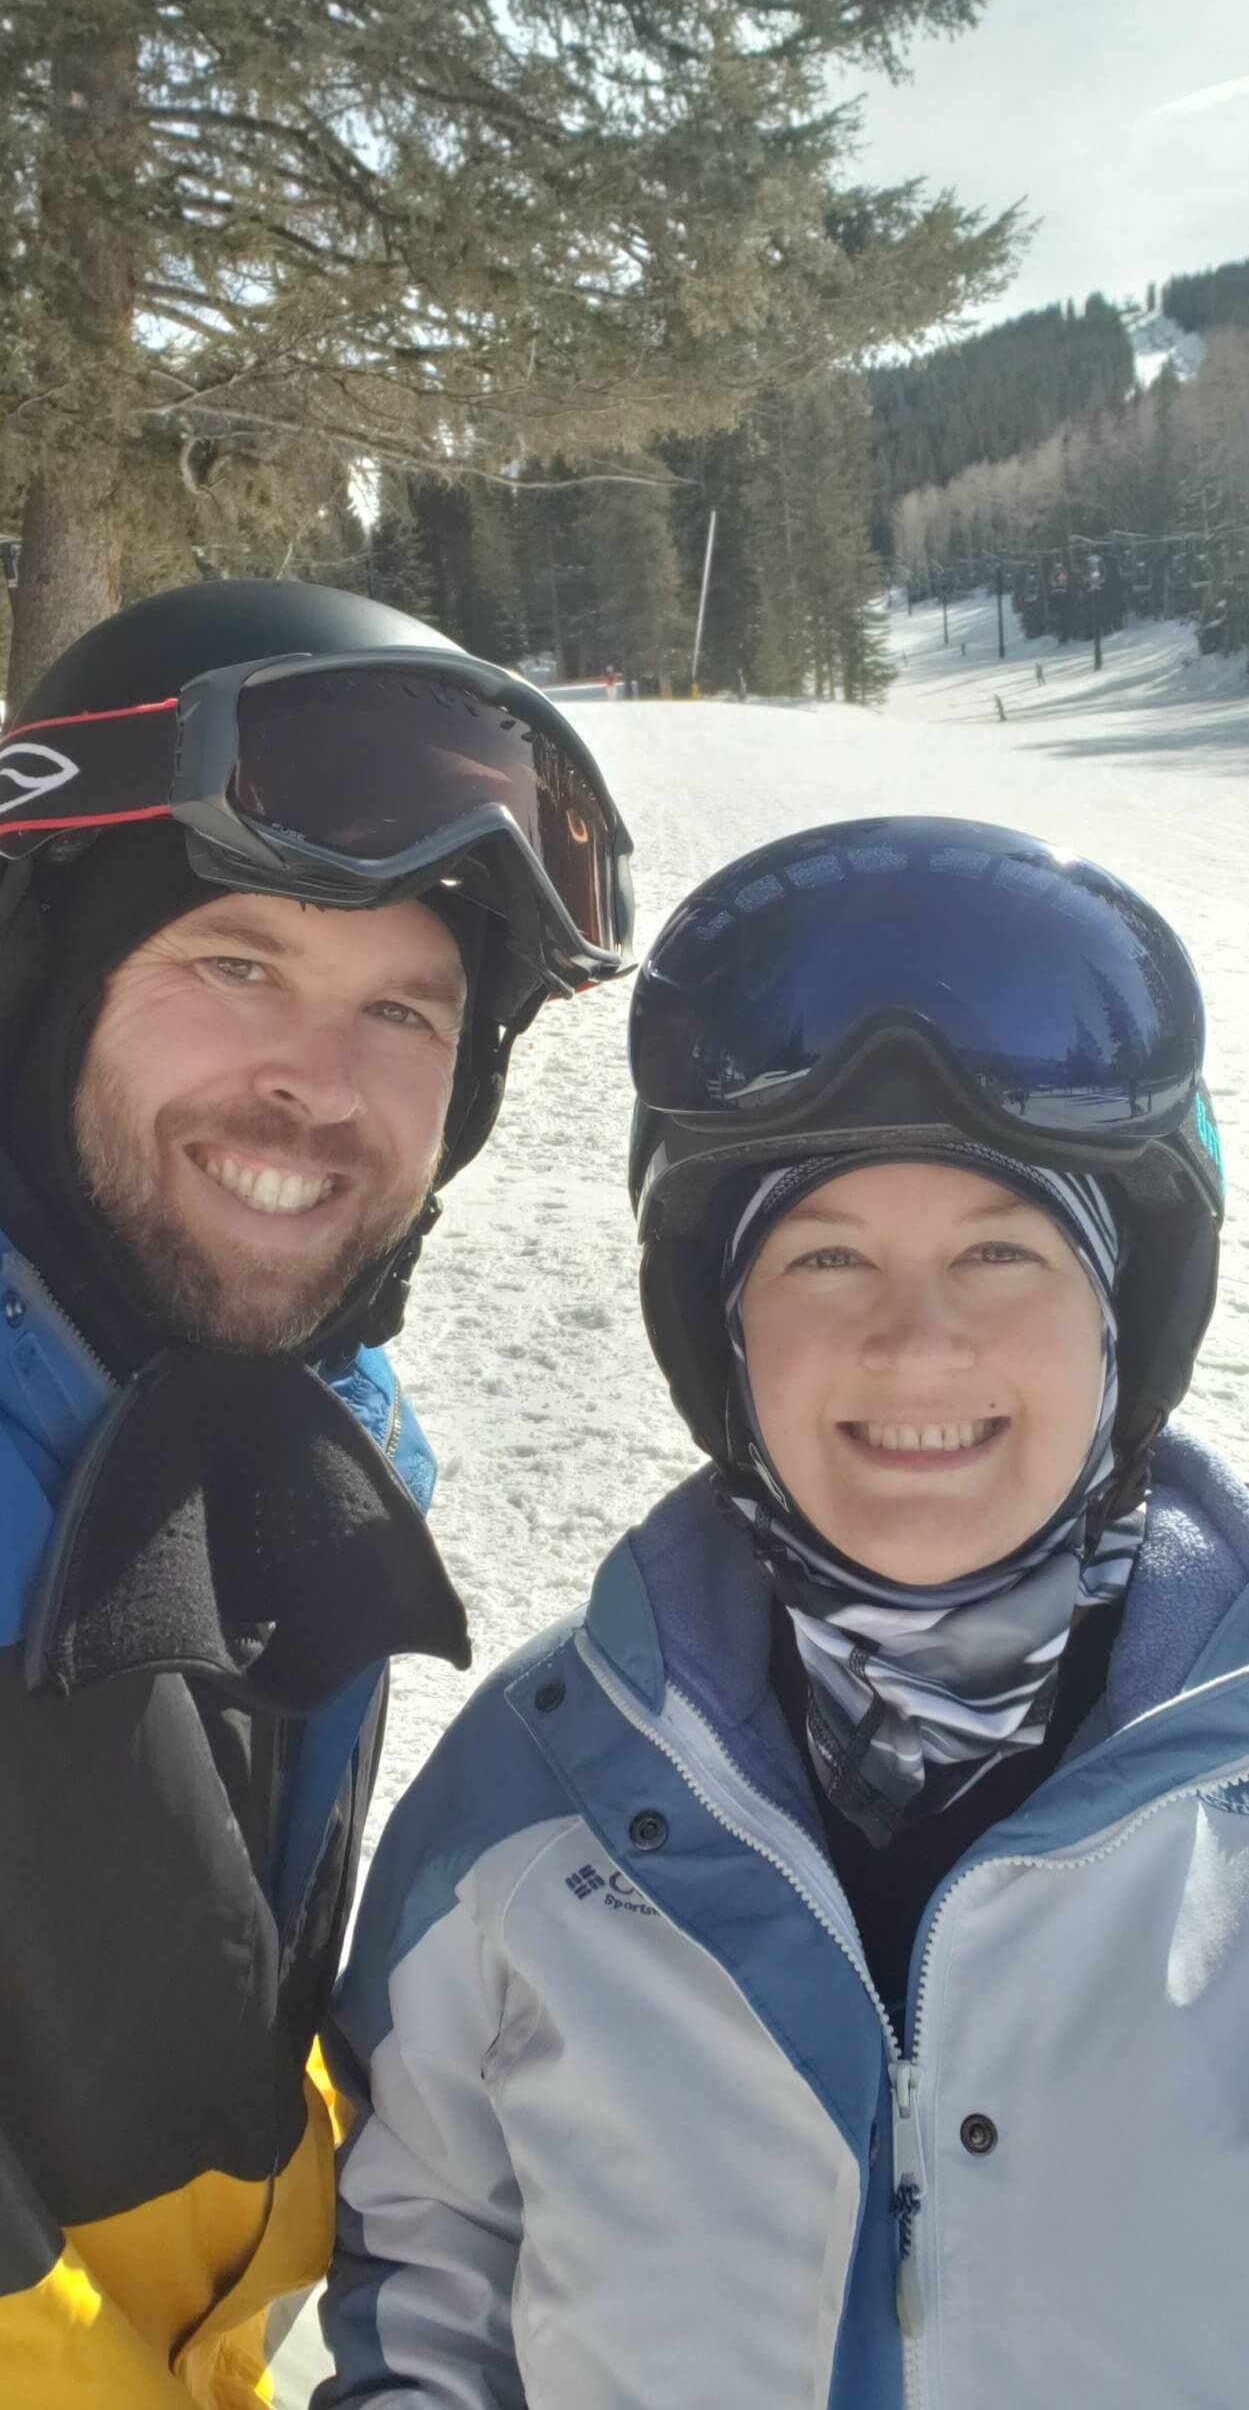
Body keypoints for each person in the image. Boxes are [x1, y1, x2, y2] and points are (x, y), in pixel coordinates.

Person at [319, 813, 1248, 2410]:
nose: (912, 1342)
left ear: (1122, 1321)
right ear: (723, 1334)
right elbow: (423, 2285)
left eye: (1001, 1252)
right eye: (823, 1260)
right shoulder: (529, 1805)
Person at [0, 575, 633, 2403]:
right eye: (236, 966)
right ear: (38, 988)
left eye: (407, 1013)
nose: (320, 1087)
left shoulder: (293, 1457)